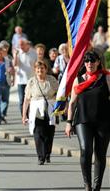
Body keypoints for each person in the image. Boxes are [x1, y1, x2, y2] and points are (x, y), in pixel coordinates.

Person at [65, 51, 110, 191]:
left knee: (100, 153)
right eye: (87, 61)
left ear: (98, 62)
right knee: (86, 149)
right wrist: (68, 122)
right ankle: (87, 185)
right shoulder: (78, 80)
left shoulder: (106, 78)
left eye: (92, 61)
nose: (89, 63)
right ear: (84, 63)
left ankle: (97, 186)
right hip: (83, 121)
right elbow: (72, 103)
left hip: (103, 121)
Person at [21, 61, 58, 165]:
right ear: (35, 70)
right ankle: (40, 157)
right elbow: (26, 100)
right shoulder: (31, 82)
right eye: (38, 68)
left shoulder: (52, 80)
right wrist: (24, 115)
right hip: (36, 110)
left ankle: (47, 154)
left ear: (46, 69)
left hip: (50, 109)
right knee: (38, 133)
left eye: (42, 68)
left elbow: (59, 94)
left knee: (49, 133)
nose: (40, 70)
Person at [13, 39, 37, 115]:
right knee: (21, 100)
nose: (21, 47)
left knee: (31, 99)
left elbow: (37, 64)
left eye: (22, 45)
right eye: (20, 45)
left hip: (32, 80)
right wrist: (16, 55)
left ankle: (31, 114)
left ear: (27, 45)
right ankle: (24, 115)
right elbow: (15, 64)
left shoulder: (33, 52)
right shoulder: (18, 53)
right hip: (21, 81)